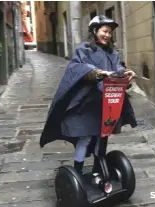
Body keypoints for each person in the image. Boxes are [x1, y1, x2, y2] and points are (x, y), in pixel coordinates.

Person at [39, 15, 138, 174]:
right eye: (104, 31)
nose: (107, 35)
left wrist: (126, 73)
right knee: (85, 137)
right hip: (86, 103)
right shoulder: (83, 49)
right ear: (94, 31)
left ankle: (99, 170)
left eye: (110, 32)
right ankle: (77, 172)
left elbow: (118, 67)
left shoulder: (112, 53)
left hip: (105, 102)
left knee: (102, 136)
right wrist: (97, 73)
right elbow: (78, 68)